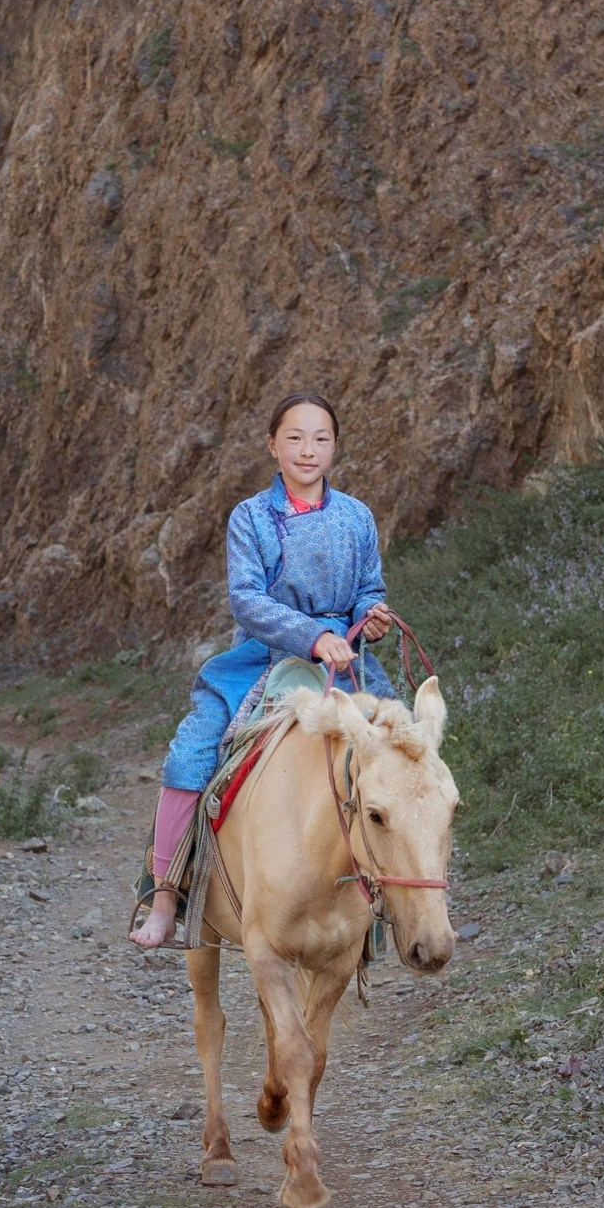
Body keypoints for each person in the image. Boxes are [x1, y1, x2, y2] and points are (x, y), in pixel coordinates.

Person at [131, 391, 394, 949]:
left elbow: (369, 589)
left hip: (346, 661)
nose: (308, 449)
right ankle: (164, 895)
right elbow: (247, 599)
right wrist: (312, 636)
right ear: (272, 445)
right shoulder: (251, 518)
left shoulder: (357, 517)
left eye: (321, 438)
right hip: (263, 657)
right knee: (191, 750)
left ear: (334, 447)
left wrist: (370, 618)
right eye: (295, 437)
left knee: (405, 748)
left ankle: (401, 891)